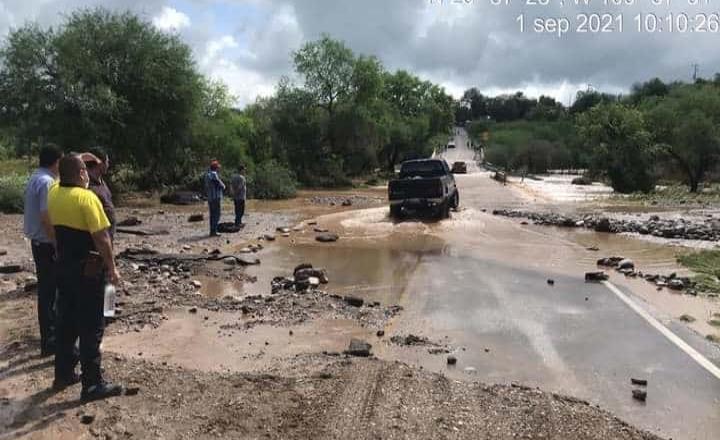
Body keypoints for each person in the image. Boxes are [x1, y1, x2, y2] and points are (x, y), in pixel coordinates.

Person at [47, 154, 123, 400]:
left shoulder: (54, 193)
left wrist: (78, 158)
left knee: (66, 322)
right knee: (92, 325)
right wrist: (112, 268)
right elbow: (102, 237)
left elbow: (48, 225)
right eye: (84, 171)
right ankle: (92, 384)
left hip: (64, 267)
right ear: (82, 173)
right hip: (88, 270)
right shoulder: (87, 198)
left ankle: (63, 374)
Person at [23, 144, 63, 357]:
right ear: (56, 162)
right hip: (46, 244)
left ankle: (49, 338)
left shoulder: (35, 177)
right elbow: (46, 216)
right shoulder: (47, 182)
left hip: (37, 242)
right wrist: (56, 243)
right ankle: (50, 340)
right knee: (50, 293)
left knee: (47, 292)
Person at [81, 149, 116, 240]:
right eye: (107, 162)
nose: (108, 165)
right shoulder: (85, 185)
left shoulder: (101, 181)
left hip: (108, 235)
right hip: (95, 239)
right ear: (100, 163)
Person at [204, 160, 225, 237]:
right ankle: (214, 231)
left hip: (210, 197)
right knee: (217, 214)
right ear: (216, 168)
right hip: (216, 197)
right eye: (218, 167)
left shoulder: (207, 174)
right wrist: (223, 186)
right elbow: (218, 184)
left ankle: (212, 231)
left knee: (212, 215)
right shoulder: (214, 174)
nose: (219, 169)